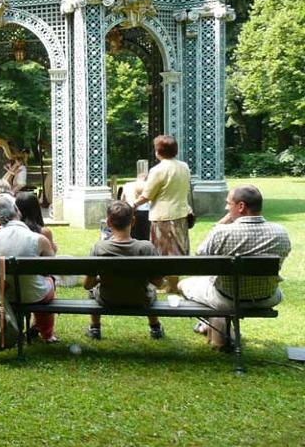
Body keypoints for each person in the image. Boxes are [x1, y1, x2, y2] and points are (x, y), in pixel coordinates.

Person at [178, 185, 291, 349]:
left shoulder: (222, 232)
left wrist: (221, 224)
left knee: (183, 285)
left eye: (228, 203)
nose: (226, 207)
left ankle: (218, 330)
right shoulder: (281, 233)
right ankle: (217, 330)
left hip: (227, 299)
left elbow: (201, 256)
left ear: (241, 206)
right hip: (266, 298)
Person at [82, 201, 165, 340]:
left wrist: (100, 279)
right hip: (140, 299)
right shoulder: (146, 248)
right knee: (151, 290)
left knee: (92, 292)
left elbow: (87, 285)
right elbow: (158, 282)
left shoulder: (99, 248)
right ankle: (155, 328)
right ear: (133, 221)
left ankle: (95, 327)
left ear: (108, 222)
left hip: (107, 299)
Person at [0, 194, 59, 342]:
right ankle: (46, 333)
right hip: (36, 294)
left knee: (35, 284)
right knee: (48, 282)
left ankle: (18, 330)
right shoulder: (38, 238)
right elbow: (52, 266)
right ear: (16, 209)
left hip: (7, 293)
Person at [133, 135, 191, 294]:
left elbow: (147, 195)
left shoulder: (158, 170)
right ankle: (171, 284)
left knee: (166, 252)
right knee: (177, 249)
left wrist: (132, 205)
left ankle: (172, 286)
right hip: (181, 213)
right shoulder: (184, 166)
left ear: (158, 151)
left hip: (163, 216)